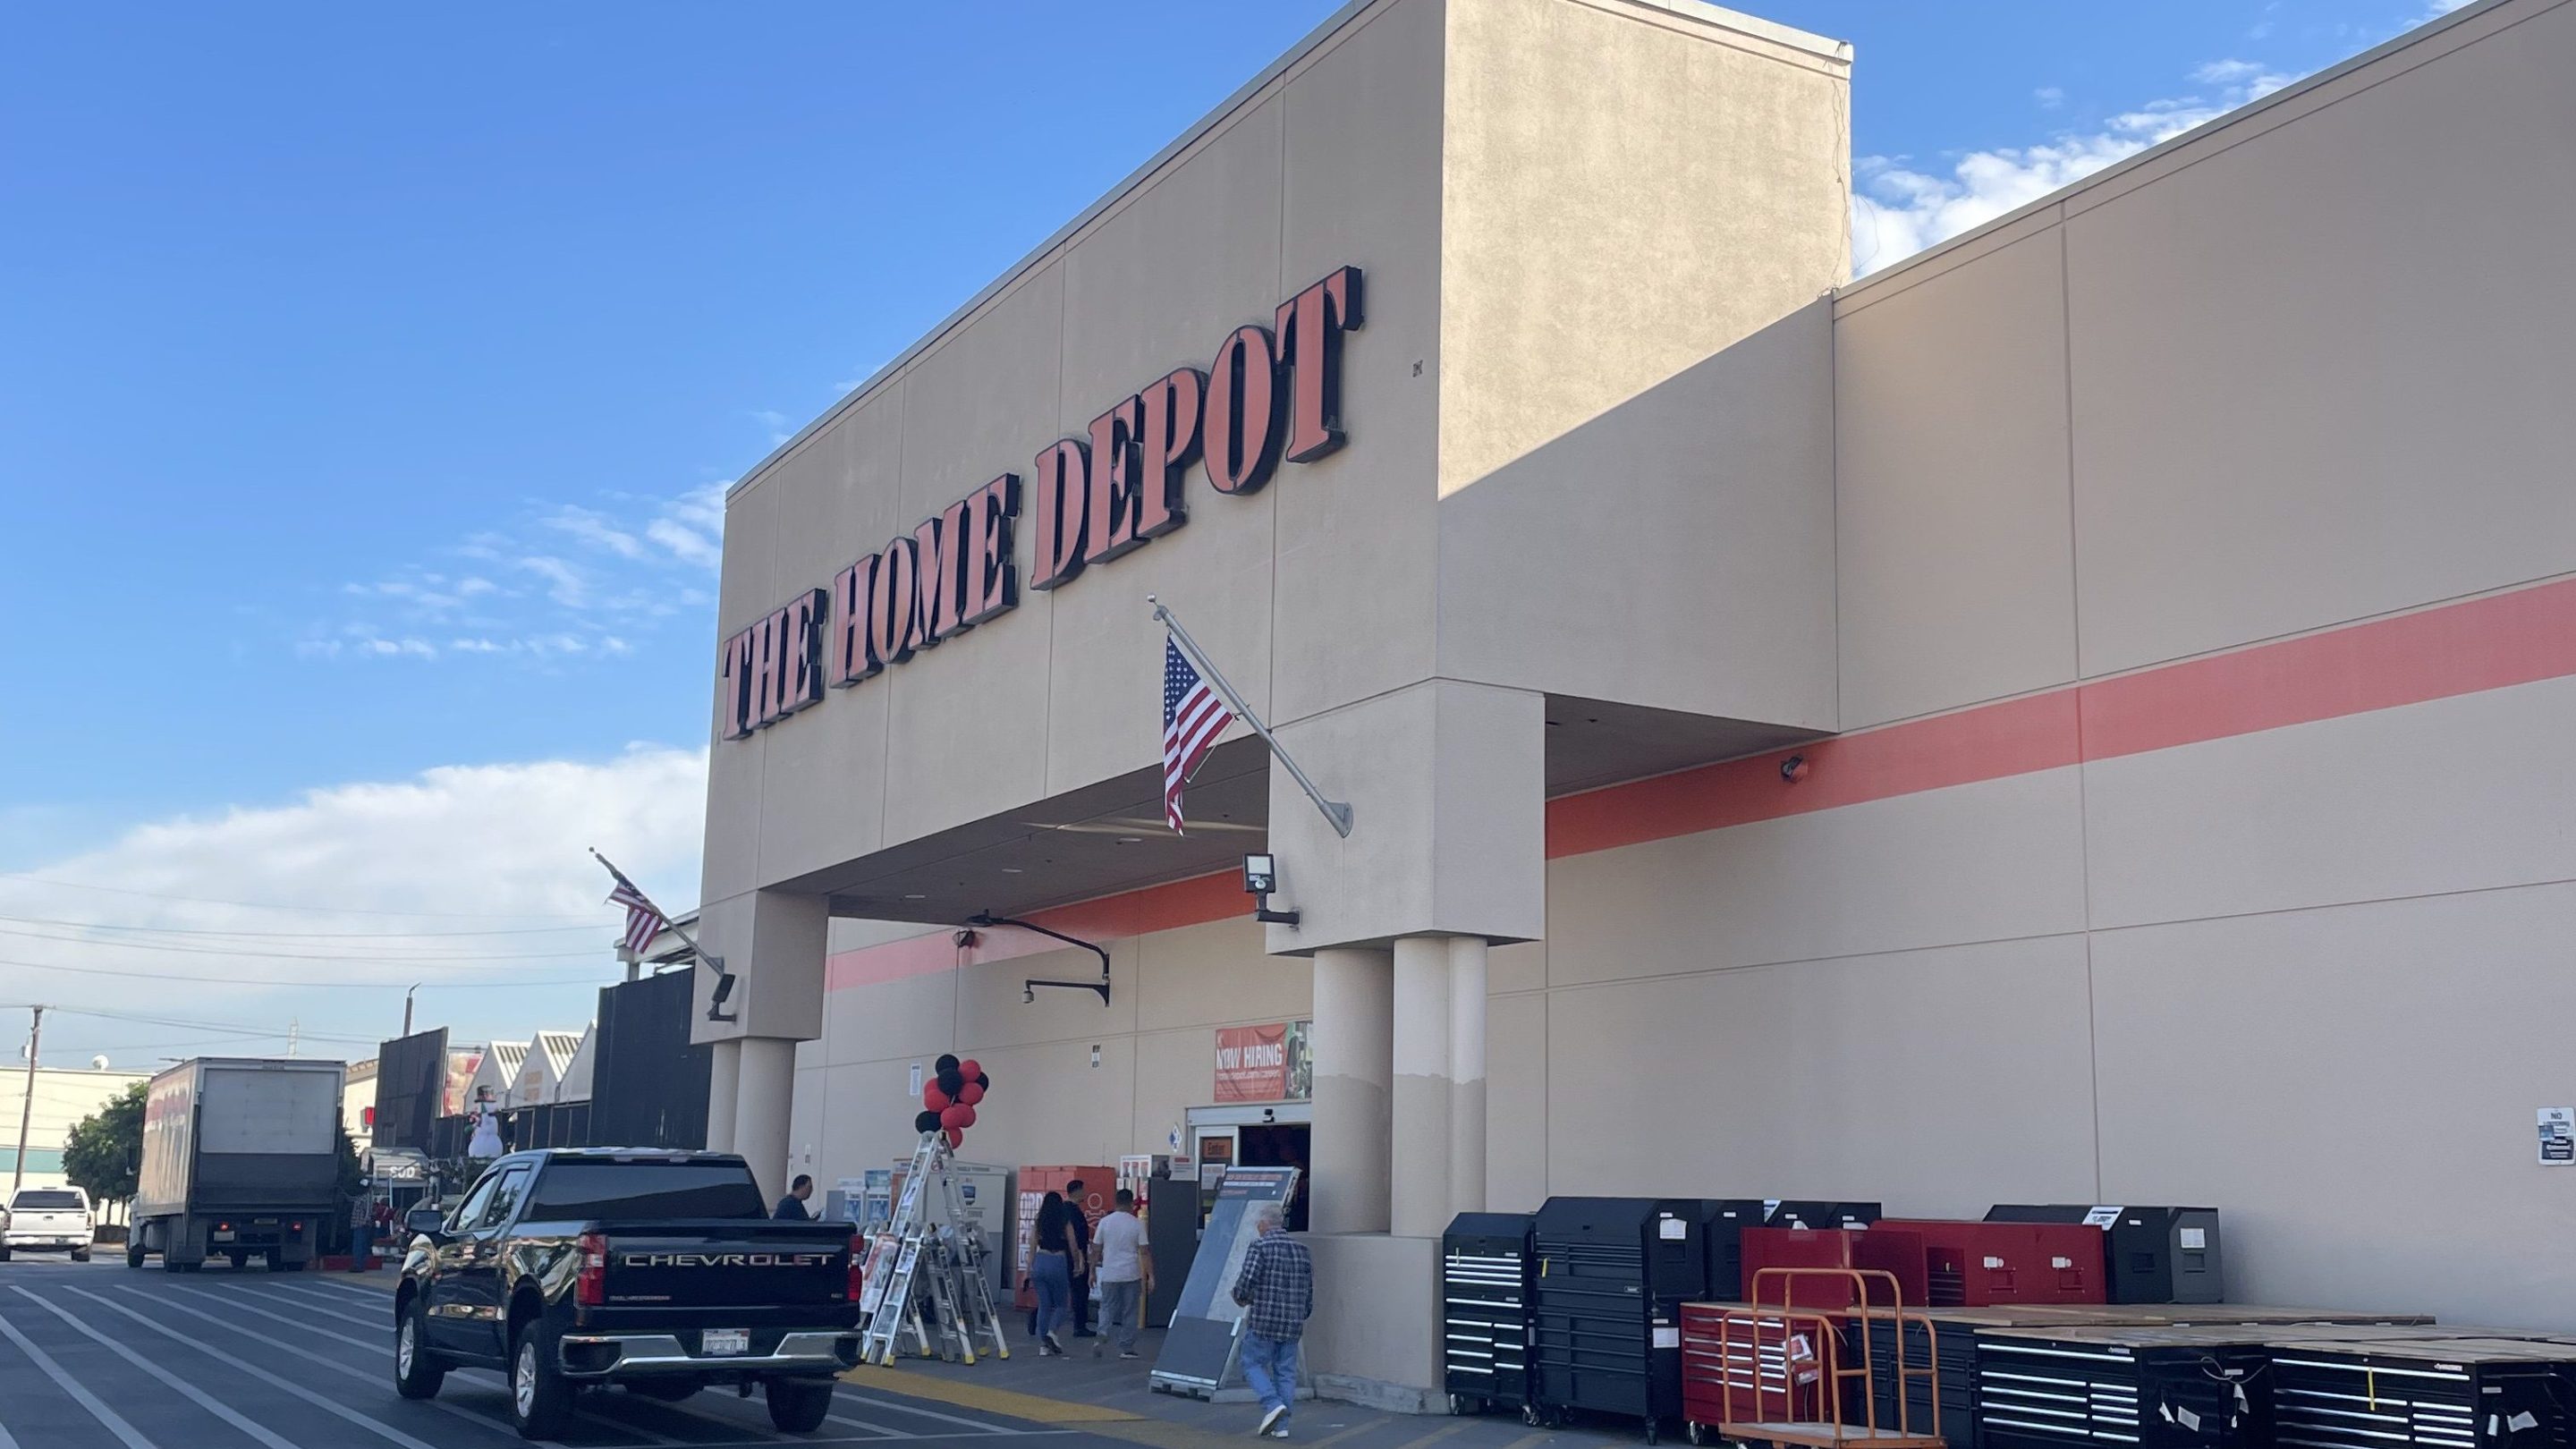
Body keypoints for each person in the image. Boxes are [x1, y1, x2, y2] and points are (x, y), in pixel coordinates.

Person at [1231, 1206, 1311, 1439]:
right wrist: (1302, 1312)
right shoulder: (1302, 1250)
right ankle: (1282, 1426)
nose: (1258, 1228)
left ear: (1264, 1224)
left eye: (1259, 1224)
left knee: (1250, 1362)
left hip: (1265, 1319)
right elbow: (1309, 1290)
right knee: (1285, 1372)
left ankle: (1272, 1402)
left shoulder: (1260, 1246)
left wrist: (1240, 1297)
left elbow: (1247, 1279)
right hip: (1292, 1321)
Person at [1090, 1187, 1152, 1360]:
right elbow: (1145, 1252)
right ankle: (1126, 1347)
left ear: (1115, 1202)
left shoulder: (1105, 1222)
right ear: (1131, 1203)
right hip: (1131, 1273)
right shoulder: (1136, 1223)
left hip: (1110, 1273)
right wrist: (1150, 1276)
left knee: (1107, 1308)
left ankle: (1101, 1334)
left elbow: (1096, 1249)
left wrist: (1092, 1272)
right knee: (1130, 1311)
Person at [1030, 1191, 1074, 1355]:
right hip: (1058, 1261)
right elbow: (1073, 1244)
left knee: (1044, 1305)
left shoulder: (1039, 1221)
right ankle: (1052, 1332)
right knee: (1062, 1304)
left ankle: (1043, 1345)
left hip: (1040, 1261)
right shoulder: (1064, 1220)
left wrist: (1029, 1269)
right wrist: (1077, 1262)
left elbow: (1032, 1246)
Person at [1063, 1178, 1095, 1338]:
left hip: (1062, 1256)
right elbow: (1078, 1238)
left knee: (1061, 1292)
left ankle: (1036, 1318)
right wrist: (1080, 1259)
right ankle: (1080, 1325)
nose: (1085, 1193)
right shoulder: (1074, 1212)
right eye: (1083, 1190)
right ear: (1076, 1191)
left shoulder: (1063, 1210)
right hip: (1075, 1256)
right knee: (1080, 1290)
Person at [348, 1189, 377, 1273]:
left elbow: (368, 1210)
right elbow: (351, 1199)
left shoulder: (366, 1197)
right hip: (356, 1224)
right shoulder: (359, 1197)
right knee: (357, 1245)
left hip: (361, 1224)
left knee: (360, 1245)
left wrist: (365, 1221)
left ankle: (359, 1265)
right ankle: (357, 1264)